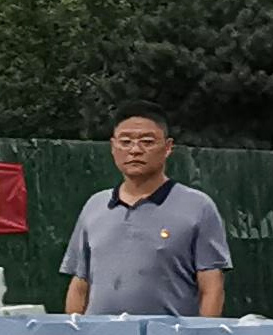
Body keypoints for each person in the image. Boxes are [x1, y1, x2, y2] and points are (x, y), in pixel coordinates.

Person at [61, 106, 230, 317]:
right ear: (113, 147)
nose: (135, 150)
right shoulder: (95, 205)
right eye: (125, 142)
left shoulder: (198, 207)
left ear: (168, 147)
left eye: (147, 142)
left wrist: (200, 334)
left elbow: (212, 287)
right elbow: (80, 284)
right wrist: (75, 332)